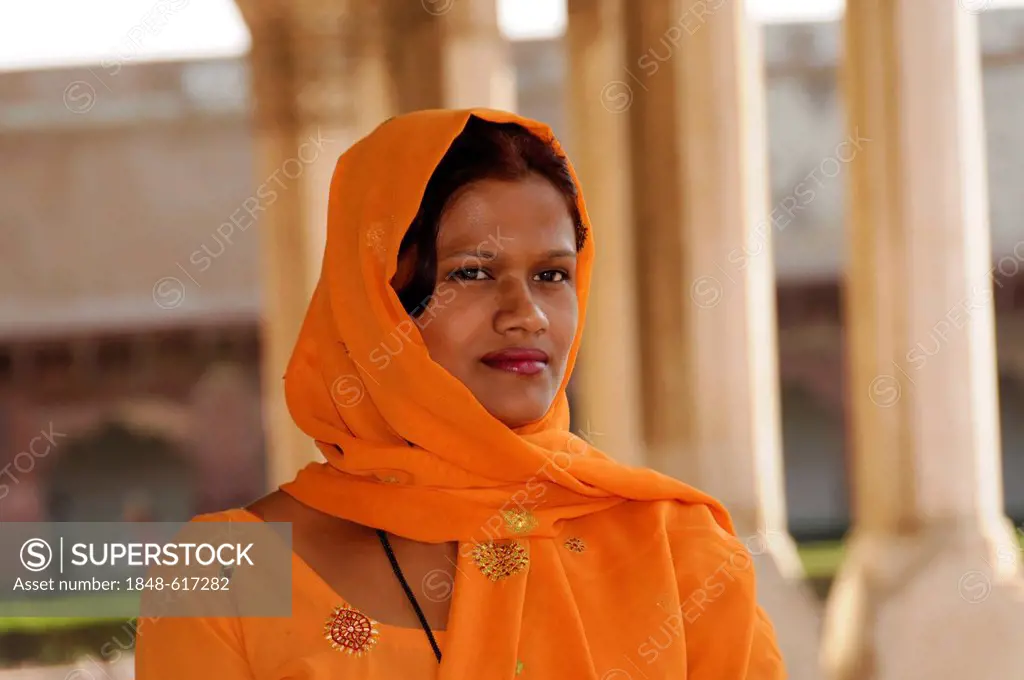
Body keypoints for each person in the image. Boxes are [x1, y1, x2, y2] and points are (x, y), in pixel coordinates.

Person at [135, 108, 785, 679]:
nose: (525, 313)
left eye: (552, 275)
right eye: (472, 273)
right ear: (379, 299)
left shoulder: (678, 551)